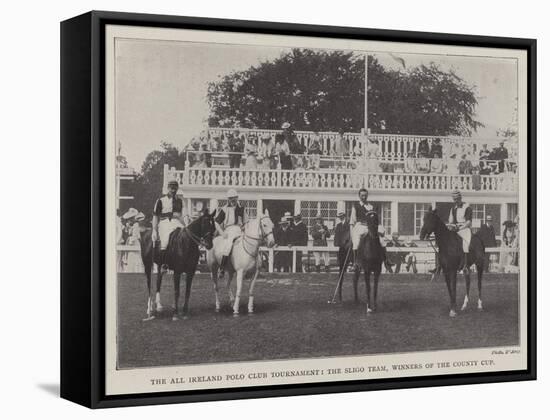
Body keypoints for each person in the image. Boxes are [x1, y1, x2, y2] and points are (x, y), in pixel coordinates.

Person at [349, 188, 390, 271]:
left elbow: (375, 219)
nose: (364, 197)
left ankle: (386, 260)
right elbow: (352, 222)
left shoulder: (371, 206)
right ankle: (355, 263)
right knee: (356, 243)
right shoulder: (356, 207)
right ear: (359, 196)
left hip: (371, 226)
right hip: (360, 225)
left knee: (382, 240)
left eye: (365, 195)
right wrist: (351, 235)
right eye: (362, 196)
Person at [152, 181, 189, 272]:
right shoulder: (160, 200)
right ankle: (164, 263)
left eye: (175, 188)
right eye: (171, 188)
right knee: (166, 238)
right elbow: (155, 216)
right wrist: (154, 229)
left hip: (176, 222)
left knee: (185, 236)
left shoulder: (181, 201)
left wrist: (187, 225)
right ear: (168, 188)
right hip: (165, 222)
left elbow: (184, 215)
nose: (173, 190)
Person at [214, 188, 245, 279]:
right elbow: (216, 222)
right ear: (228, 199)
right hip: (229, 230)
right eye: (231, 199)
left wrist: (244, 228)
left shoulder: (241, 209)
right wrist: (222, 232)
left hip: (240, 230)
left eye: (234, 198)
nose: (233, 201)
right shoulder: (224, 209)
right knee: (228, 245)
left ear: (237, 198)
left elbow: (246, 222)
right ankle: (222, 268)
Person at [447, 189, 472, 261]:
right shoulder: (453, 209)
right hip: (455, 229)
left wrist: (460, 228)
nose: (455, 201)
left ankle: (465, 262)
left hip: (464, 229)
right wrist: (450, 226)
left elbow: (468, 222)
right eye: (454, 199)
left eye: (457, 199)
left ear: (460, 198)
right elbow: (451, 221)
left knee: (465, 244)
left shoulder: (467, 207)